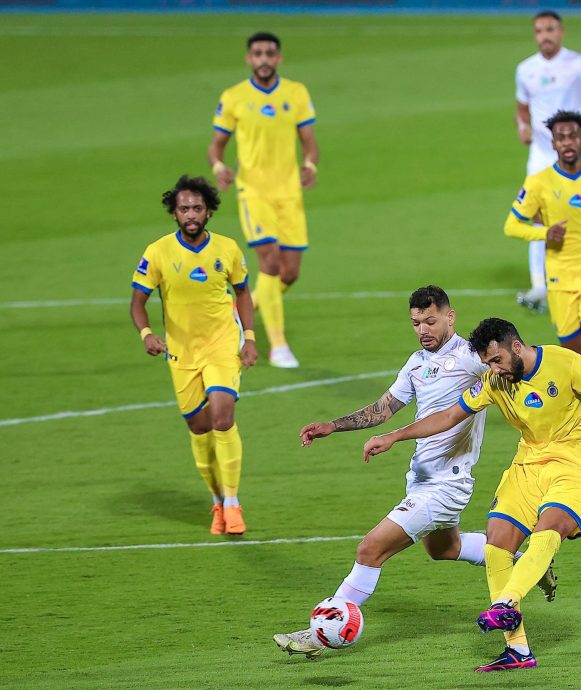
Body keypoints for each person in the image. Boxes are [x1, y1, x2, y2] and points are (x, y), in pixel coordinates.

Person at [364, 317, 581, 672]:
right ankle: (518, 651)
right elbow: (450, 415)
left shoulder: (565, 363)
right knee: (497, 544)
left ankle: (506, 602)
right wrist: (393, 436)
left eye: (496, 360)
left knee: (549, 529)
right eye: (487, 364)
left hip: (572, 468)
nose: (493, 370)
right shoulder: (495, 381)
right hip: (526, 468)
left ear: (515, 346)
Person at [273, 287, 556, 659]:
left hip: (447, 484)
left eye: (431, 320)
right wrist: (333, 425)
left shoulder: (472, 357)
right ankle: (528, 563)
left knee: (370, 549)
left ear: (450, 317)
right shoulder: (417, 362)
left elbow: (512, 366)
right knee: (445, 548)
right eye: (416, 322)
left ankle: (320, 632)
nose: (423, 328)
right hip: (421, 480)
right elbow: (384, 408)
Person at [129, 175, 258, 535]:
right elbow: (137, 303)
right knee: (199, 427)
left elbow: (243, 294)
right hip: (181, 353)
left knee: (221, 416)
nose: (191, 214)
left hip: (221, 345)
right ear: (174, 212)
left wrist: (248, 338)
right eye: (184, 208)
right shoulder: (157, 252)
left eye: (197, 208)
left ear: (209, 211)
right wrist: (147, 334)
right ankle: (217, 500)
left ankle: (233, 502)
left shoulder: (228, 249)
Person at [504, 109, 581, 457]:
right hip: (560, 278)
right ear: (554, 142)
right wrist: (545, 232)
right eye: (561, 137)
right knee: (576, 356)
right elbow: (512, 225)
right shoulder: (539, 183)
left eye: (573, 136)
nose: (568, 143)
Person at [209, 31, 319, 369]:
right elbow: (217, 144)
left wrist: (309, 164)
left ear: (279, 58)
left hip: (289, 193)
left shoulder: (296, 92)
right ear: (249, 58)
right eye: (258, 53)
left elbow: (309, 141)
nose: (264, 59)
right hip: (252, 192)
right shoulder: (234, 97)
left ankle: (235, 311)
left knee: (289, 274)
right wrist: (218, 166)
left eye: (270, 53)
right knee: (268, 263)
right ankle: (278, 346)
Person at [514, 11, 581, 312]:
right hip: (542, 155)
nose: (545, 35)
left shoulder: (580, 64)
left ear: (562, 32)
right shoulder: (525, 69)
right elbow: (522, 107)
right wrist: (522, 126)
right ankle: (539, 287)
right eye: (539, 30)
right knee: (537, 217)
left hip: (578, 153)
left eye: (550, 29)